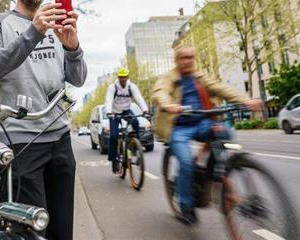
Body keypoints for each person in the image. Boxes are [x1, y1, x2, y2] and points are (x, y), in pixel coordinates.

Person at [0, 0, 87, 240]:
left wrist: (73, 46)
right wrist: (33, 33)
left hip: (60, 139)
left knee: (62, 229)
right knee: (31, 231)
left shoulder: (54, 26)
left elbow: (77, 79)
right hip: (22, 141)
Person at [152, 45, 261, 225]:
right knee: (186, 164)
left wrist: (246, 101)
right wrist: (168, 105)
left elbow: (220, 89)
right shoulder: (169, 78)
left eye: (191, 57)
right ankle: (186, 206)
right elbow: (160, 92)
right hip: (179, 127)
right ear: (176, 60)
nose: (188, 61)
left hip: (202, 122)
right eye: (183, 58)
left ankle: (214, 173)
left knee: (224, 132)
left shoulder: (199, 77)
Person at [104, 67, 149, 173]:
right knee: (114, 135)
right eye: (121, 77)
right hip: (114, 112)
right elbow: (108, 100)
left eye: (125, 77)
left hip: (126, 110)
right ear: (118, 77)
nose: (123, 79)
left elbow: (139, 98)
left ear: (127, 77)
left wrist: (145, 110)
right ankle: (114, 160)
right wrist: (109, 112)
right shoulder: (113, 87)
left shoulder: (132, 87)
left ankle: (136, 146)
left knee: (135, 122)